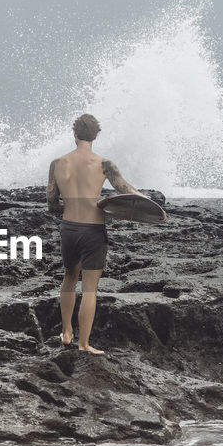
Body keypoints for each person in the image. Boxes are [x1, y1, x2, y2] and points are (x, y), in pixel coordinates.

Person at [46, 113, 141, 355]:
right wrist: (146, 204)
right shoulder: (105, 164)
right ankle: (84, 344)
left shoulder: (57, 163)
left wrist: (64, 206)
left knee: (69, 277)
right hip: (93, 230)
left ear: (74, 134)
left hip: (68, 229)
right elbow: (125, 190)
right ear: (96, 136)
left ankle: (66, 332)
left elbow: (51, 201)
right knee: (89, 288)